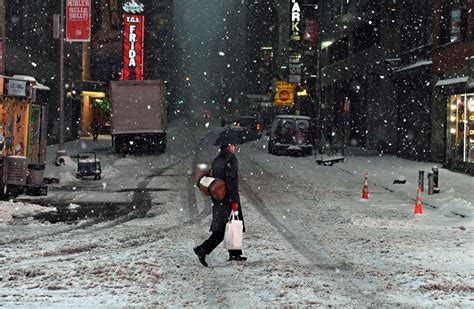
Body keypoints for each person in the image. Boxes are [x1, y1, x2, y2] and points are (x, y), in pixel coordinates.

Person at [194, 129, 246, 267]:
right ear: (229, 146)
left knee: (231, 225)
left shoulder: (217, 160)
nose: (235, 147)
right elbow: (232, 183)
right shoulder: (230, 160)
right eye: (233, 145)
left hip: (218, 199)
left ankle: (235, 254)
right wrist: (234, 202)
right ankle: (202, 250)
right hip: (227, 199)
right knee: (223, 229)